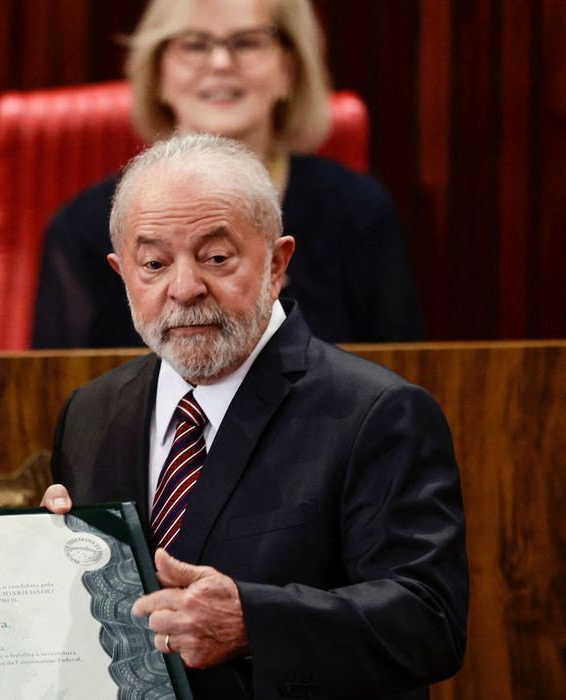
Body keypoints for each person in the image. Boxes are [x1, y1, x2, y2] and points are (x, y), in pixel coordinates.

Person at [42, 133, 466, 699]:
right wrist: (46, 562)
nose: (186, 288)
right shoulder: (90, 413)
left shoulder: (377, 413)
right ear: (122, 273)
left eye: (217, 258)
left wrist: (252, 623)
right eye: (154, 263)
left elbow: (429, 620)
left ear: (276, 264)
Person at [33, 0, 424, 348]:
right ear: (160, 74)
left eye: (247, 42)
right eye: (194, 44)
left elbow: (399, 381)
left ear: (288, 69)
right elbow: (63, 394)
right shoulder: (84, 227)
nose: (220, 63)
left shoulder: (359, 213)